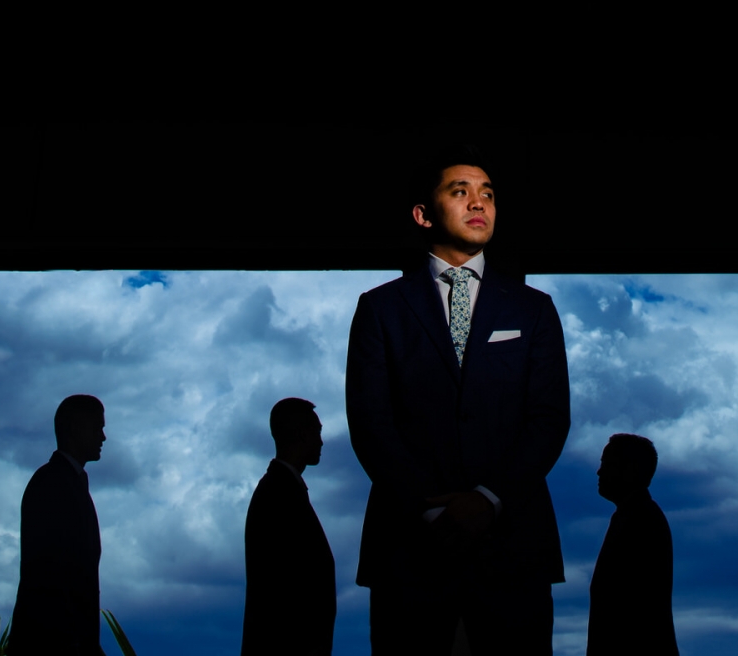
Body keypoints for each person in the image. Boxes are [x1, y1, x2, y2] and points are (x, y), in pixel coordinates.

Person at [345, 149, 571, 654]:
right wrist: (435, 512)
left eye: (488, 193)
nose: (479, 202)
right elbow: (370, 423)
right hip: (412, 545)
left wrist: (488, 500)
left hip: (512, 542)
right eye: (460, 191)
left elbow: (549, 419)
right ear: (423, 215)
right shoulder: (380, 308)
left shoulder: (533, 310)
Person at [7, 394, 107, 656]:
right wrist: (73, 642)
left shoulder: (68, 481)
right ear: (75, 428)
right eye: (98, 427)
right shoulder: (53, 483)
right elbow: (49, 569)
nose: (103, 437)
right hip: (52, 642)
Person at [241, 398, 336, 655]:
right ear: (300, 434)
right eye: (317, 432)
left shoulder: (280, 490)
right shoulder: (279, 494)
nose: (321, 441)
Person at [587, 434, 678, 656]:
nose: (599, 472)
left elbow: (634, 610)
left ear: (631, 470)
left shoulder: (642, 520)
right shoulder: (631, 516)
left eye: (607, 464)